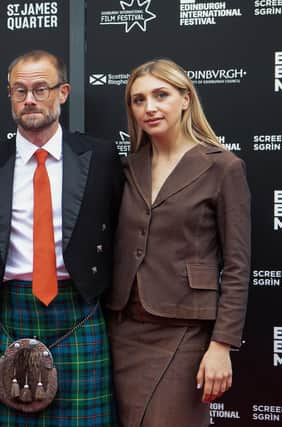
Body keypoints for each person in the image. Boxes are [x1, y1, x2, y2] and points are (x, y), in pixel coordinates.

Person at [0, 50, 123, 426]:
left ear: (62, 92)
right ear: (10, 96)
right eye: (20, 91)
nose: (29, 99)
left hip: (78, 309)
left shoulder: (98, 156)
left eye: (40, 89)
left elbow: (120, 227)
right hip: (8, 310)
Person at [105, 58, 251, 427]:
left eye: (161, 95)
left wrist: (221, 345)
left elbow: (237, 265)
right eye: (138, 100)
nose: (149, 108)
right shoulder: (127, 167)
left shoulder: (223, 167)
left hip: (185, 332)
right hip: (121, 329)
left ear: (185, 99)